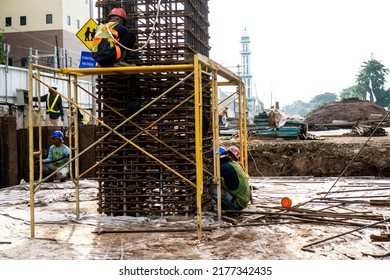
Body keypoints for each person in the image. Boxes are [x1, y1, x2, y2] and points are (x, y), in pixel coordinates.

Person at [209, 146, 250, 211]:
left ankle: (230, 209)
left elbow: (210, 172)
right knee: (220, 184)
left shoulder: (227, 167)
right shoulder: (235, 165)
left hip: (238, 203)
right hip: (243, 201)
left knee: (213, 189)